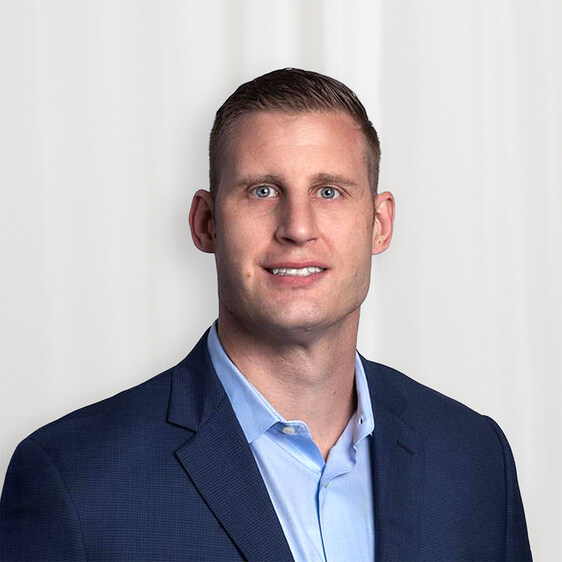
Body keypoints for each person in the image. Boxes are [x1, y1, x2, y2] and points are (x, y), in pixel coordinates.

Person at [0, 68, 531, 561]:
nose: (297, 227)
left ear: (379, 224)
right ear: (206, 223)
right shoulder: (74, 478)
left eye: (329, 191)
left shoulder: (474, 458)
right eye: (262, 191)